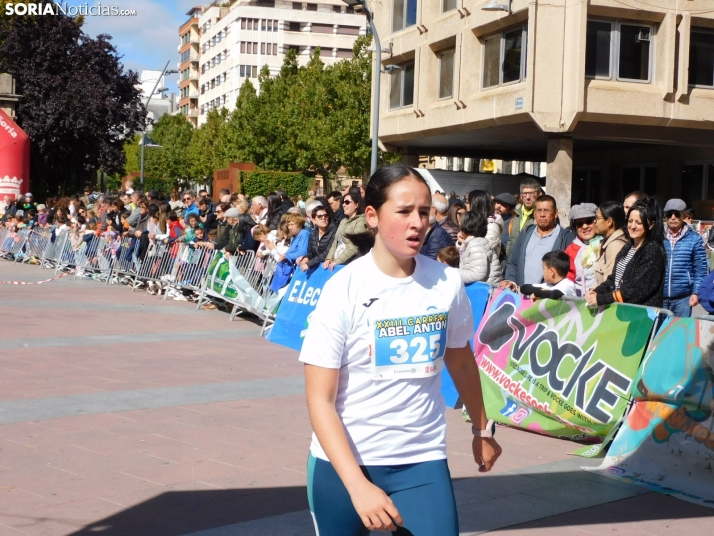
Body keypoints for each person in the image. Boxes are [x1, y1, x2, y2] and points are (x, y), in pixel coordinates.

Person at [300, 163, 500, 536]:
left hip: (421, 462)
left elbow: (460, 359)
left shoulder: (446, 283)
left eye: (424, 212)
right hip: (343, 467)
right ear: (373, 216)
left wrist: (482, 430)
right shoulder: (342, 289)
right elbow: (319, 401)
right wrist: (358, 486)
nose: (418, 223)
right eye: (404, 211)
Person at [585, 198, 666, 308]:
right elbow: (613, 278)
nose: (632, 226)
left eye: (638, 222)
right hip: (624, 311)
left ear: (651, 225)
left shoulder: (653, 250)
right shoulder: (628, 246)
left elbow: (636, 290)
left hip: (643, 315)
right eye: (630, 221)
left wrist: (601, 299)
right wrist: (596, 291)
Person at [502, 195, 574, 289]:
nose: (542, 214)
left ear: (556, 213)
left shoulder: (565, 237)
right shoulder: (525, 234)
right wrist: (511, 281)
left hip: (548, 299)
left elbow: (571, 271)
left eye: (546, 210)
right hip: (523, 296)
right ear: (534, 213)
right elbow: (513, 262)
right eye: (539, 210)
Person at [661, 198, 708, 317]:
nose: (673, 217)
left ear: (684, 215)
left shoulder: (695, 239)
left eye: (677, 214)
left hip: (683, 298)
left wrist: (696, 293)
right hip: (659, 296)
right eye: (669, 214)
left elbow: (700, 269)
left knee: (680, 332)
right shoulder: (658, 236)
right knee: (658, 332)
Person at [324, 187, 368, 268]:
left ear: (356, 205)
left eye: (347, 202)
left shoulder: (361, 220)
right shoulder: (343, 221)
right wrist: (329, 258)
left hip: (349, 264)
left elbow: (354, 246)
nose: (344, 205)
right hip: (336, 263)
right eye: (343, 202)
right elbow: (335, 243)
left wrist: (336, 262)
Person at [564, 203, 601, 297]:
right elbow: (568, 278)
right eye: (580, 224)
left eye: (589, 221)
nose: (585, 226)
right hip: (578, 302)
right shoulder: (571, 249)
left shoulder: (606, 244)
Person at [458, 211, 502, 284]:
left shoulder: (476, 245)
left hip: (485, 291)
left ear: (466, 227)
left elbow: (478, 274)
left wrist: (455, 273)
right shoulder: (476, 243)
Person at [593, 201, 628, 285]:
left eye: (597, 218)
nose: (594, 221)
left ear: (609, 221)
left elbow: (609, 283)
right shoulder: (606, 242)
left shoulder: (615, 246)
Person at [506, 178, 542, 258]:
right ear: (521, 196)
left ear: (539, 194)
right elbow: (510, 240)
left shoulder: (541, 216)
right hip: (512, 264)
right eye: (525, 193)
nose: (528, 197)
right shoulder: (516, 215)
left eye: (531, 193)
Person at [298, 203, 337, 272]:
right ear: (313, 220)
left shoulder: (334, 231)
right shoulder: (313, 233)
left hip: (330, 269)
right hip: (318, 268)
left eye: (325, 215)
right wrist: (306, 258)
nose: (324, 218)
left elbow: (327, 253)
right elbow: (311, 252)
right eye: (320, 216)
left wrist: (309, 264)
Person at [467, 190, 503, 258]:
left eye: (468, 202)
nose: (466, 205)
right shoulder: (472, 222)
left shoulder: (492, 226)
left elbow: (483, 249)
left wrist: (465, 240)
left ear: (476, 204)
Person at [420, 195, 455, 260]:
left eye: (425, 208)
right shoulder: (432, 231)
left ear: (434, 210)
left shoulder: (437, 236)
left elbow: (431, 262)